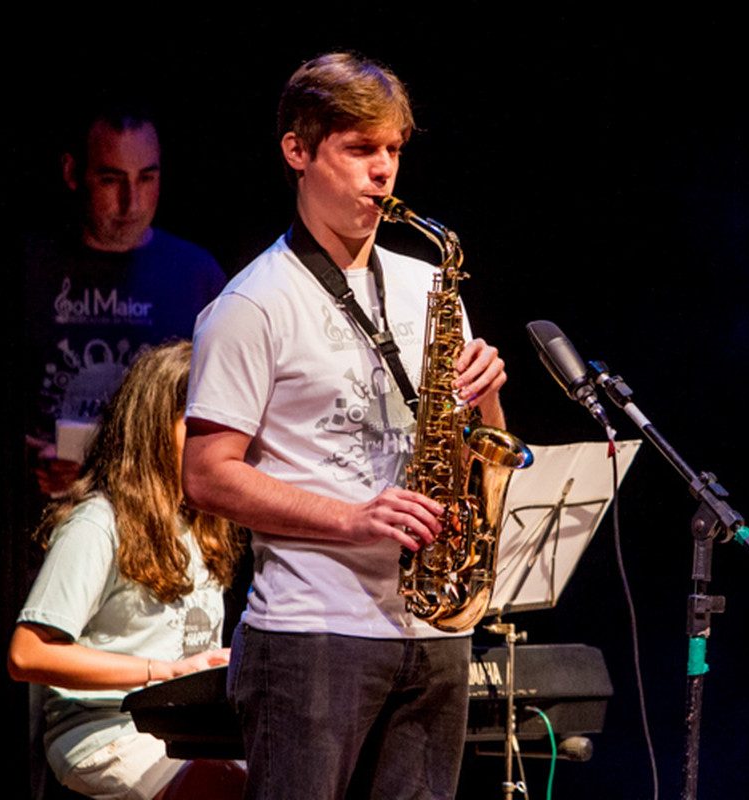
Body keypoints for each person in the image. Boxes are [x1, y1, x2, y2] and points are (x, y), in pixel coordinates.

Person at [180, 53, 509, 799]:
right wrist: (353, 518)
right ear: (297, 151)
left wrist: (486, 398)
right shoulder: (253, 303)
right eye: (360, 149)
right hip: (312, 633)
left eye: (393, 150)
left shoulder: (432, 285)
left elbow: (475, 446)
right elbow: (205, 473)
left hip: (435, 630)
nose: (383, 171)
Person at [9, 340, 246, 800]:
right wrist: (165, 671)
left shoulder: (202, 521)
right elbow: (27, 656)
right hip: (105, 729)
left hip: (185, 726)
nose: (219, 438)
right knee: (224, 786)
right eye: (199, 423)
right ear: (158, 427)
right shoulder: (100, 523)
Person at [23, 102, 228, 499]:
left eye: (147, 178)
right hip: (39, 525)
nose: (131, 203)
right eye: (111, 180)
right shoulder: (31, 269)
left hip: (157, 524)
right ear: (72, 173)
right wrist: (33, 459)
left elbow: (225, 422)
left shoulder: (197, 276)